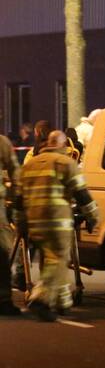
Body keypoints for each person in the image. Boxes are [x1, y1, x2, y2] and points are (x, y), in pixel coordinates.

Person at [11, 130, 100, 321]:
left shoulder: (29, 165)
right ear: (61, 145)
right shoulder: (66, 163)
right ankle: (40, 297)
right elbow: (82, 194)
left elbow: (18, 199)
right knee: (58, 259)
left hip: (35, 222)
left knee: (52, 258)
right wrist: (93, 217)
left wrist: (20, 222)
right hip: (57, 221)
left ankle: (62, 301)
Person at [0, 133, 21, 316]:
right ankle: (4, 301)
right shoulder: (2, 143)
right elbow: (15, 174)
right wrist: (17, 201)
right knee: (1, 251)